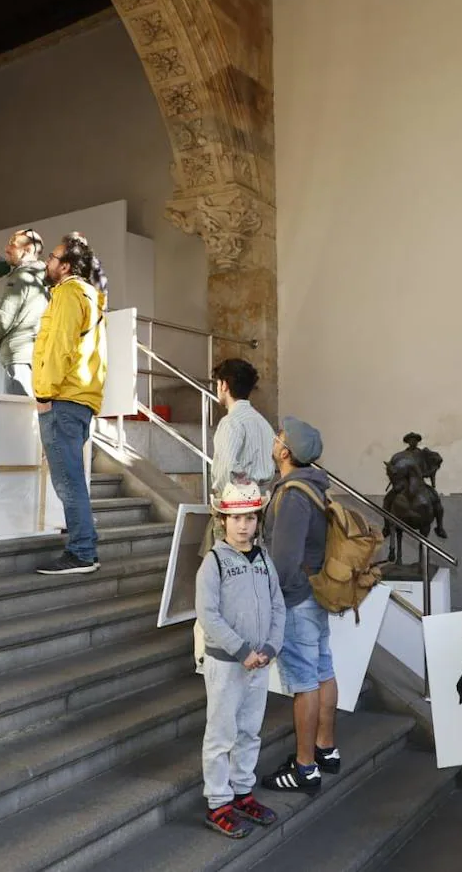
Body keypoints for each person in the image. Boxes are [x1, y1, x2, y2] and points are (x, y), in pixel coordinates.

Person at [195, 481, 285, 839]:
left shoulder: (264, 558)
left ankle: (242, 791)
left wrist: (271, 647)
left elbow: (278, 604)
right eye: (236, 518)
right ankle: (218, 802)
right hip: (227, 663)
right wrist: (242, 651)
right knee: (221, 733)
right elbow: (208, 614)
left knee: (250, 730)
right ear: (222, 520)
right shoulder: (214, 562)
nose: (243, 525)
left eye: (249, 517)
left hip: (260, 662)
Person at [260, 417, 337, 794]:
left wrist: (278, 601)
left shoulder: (292, 495)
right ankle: (326, 747)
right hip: (316, 593)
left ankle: (305, 767)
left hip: (298, 600)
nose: (275, 441)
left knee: (305, 682)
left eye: (279, 438)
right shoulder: (315, 487)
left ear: (286, 452)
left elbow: (284, 560)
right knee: (323, 670)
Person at [33, 235, 109, 575]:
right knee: (72, 478)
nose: (47, 262)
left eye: (52, 257)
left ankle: (81, 550)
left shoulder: (67, 294)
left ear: (64, 266)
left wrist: (44, 394)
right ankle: (85, 543)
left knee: (68, 481)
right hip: (81, 398)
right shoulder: (91, 297)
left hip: (62, 398)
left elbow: (58, 346)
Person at [201, 358, 278, 554]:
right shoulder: (263, 423)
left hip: (234, 510)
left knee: (226, 569)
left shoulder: (231, 422)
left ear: (224, 385)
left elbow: (226, 469)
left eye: (218, 384)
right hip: (258, 506)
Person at [0, 229, 48, 397]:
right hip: (39, 356)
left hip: (19, 355)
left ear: (28, 250)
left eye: (12, 244)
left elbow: (5, 315)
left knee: (17, 413)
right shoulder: (46, 279)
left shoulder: (21, 277)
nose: (6, 248)